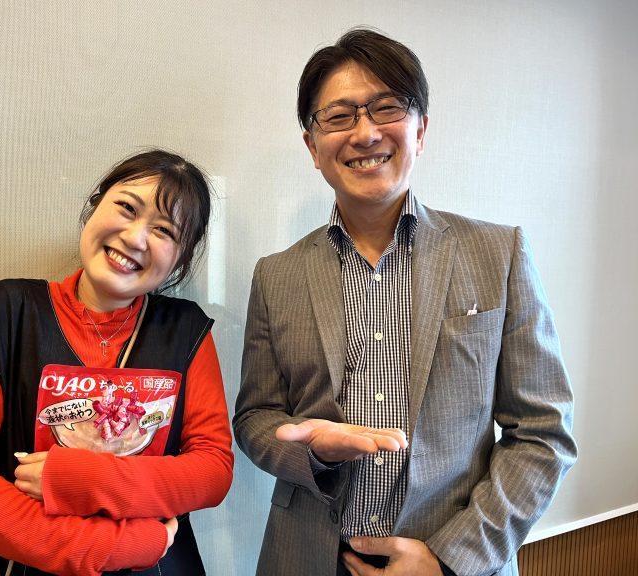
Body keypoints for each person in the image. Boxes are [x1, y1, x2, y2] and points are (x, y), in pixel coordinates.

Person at [233, 28, 576, 576]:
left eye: (387, 108)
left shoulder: (499, 252)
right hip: (307, 556)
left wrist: (449, 559)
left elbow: (541, 433)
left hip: (453, 560)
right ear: (313, 147)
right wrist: (313, 450)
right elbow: (255, 417)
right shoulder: (276, 275)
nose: (365, 133)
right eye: (339, 116)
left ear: (421, 130)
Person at [0, 149, 234, 576]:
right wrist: (115, 546)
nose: (136, 238)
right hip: (54, 561)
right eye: (127, 208)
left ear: (181, 258)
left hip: (160, 564)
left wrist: (81, 479)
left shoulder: (187, 330)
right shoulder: (5, 312)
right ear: (94, 207)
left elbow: (212, 471)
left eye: (164, 231)